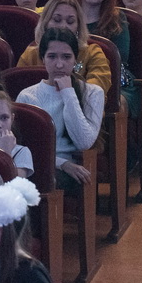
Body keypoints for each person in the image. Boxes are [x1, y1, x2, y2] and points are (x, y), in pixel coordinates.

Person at [17, 27, 105, 193]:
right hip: (38, 163)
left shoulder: (93, 93)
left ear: (75, 60)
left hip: (73, 167)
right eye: (52, 57)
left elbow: (84, 142)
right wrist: (63, 164)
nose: (59, 64)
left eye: (66, 57)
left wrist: (68, 92)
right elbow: (24, 146)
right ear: (43, 59)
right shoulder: (27, 96)